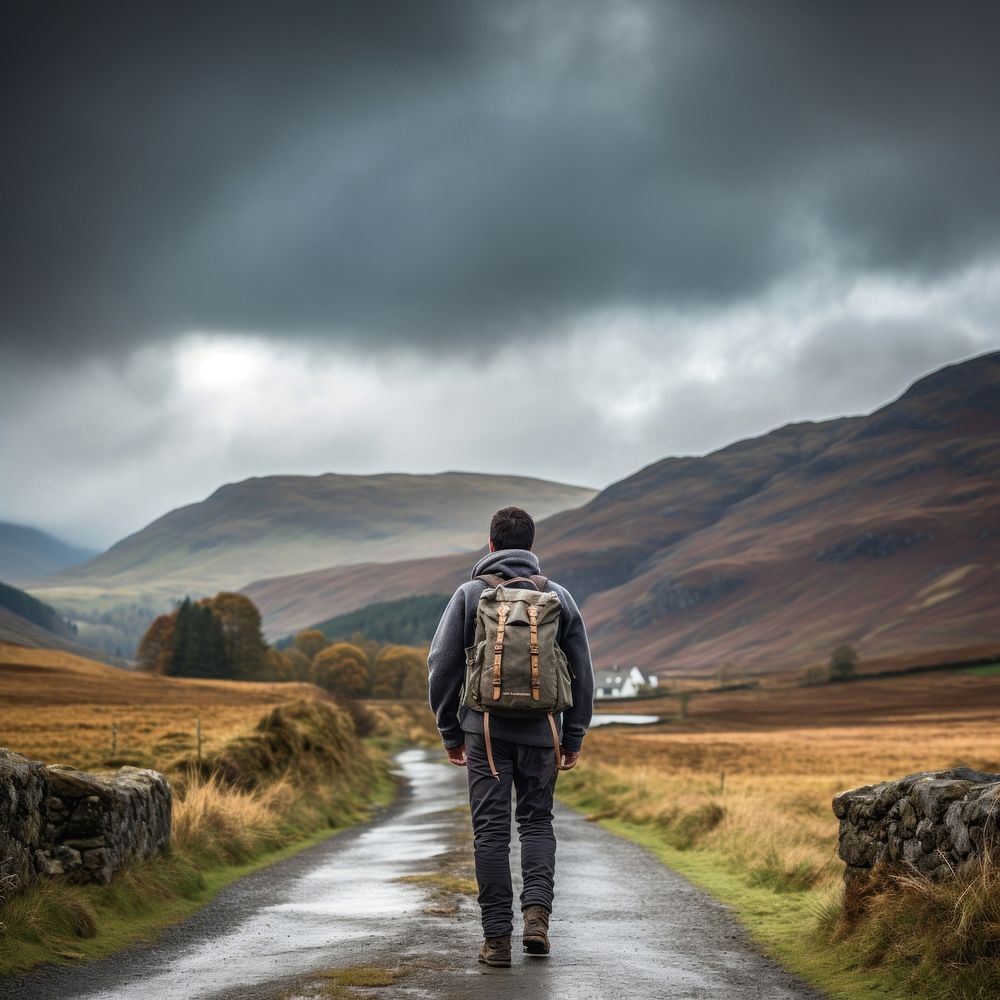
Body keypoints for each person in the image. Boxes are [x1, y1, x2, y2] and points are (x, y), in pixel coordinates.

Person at [427, 505, 595, 968]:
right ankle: (537, 920)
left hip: (483, 732)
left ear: (491, 545)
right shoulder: (558, 596)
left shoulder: (468, 594)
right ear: (532, 547)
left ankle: (497, 941)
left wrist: (449, 731)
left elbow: (441, 666)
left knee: (491, 833)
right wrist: (573, 735)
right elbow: (582, 673)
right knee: (537, 823)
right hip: (544, 732)